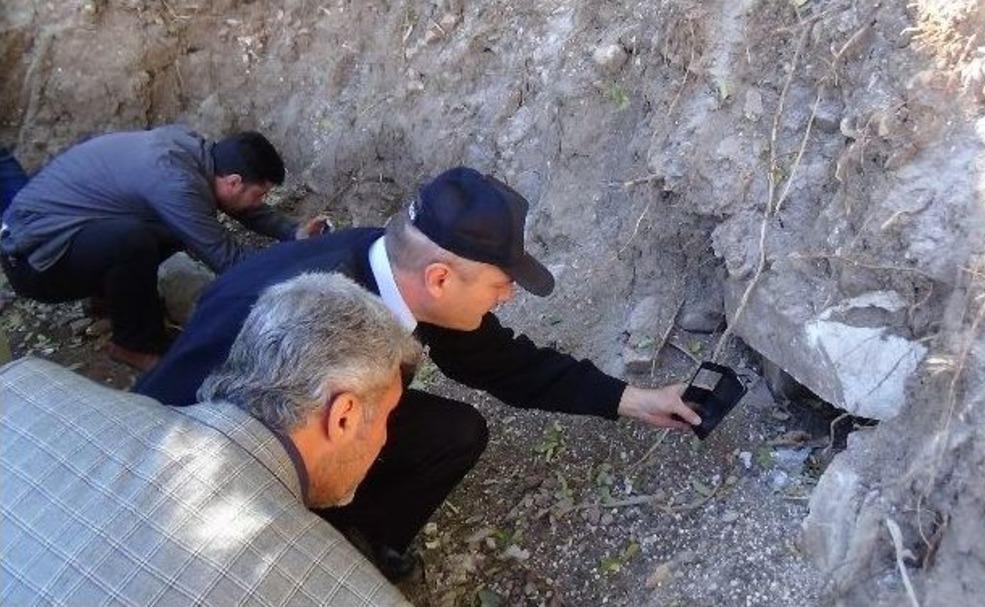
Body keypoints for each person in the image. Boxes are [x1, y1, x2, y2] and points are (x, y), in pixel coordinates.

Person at [135, 166, 701, 580]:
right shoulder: (293, 314)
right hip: (195, 461)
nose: (506, 298)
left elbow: (505, 364)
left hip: (293, 425)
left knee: (455, 433)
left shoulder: (391, 270)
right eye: (500, 283)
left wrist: (633, 400)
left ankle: (361, 541)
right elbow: (186, 433)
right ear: (439, 279)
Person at [0, 272, 419, 606]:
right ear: (343, 415)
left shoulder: (26, 386)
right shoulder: (353, 593)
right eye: (387, 416)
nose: (385, 437)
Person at [0, 126, 330, 371]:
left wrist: (293, 233)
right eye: (258, 194)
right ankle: (133, 343)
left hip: (60, 236)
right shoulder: (176, 184)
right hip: (33, 263)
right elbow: (229, 259)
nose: (258, 203)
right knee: (136, 240)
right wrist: (296, 274)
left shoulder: (194, 153)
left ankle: (111, 301)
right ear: (233, 181)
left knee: (160, 231)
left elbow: (243, 207)